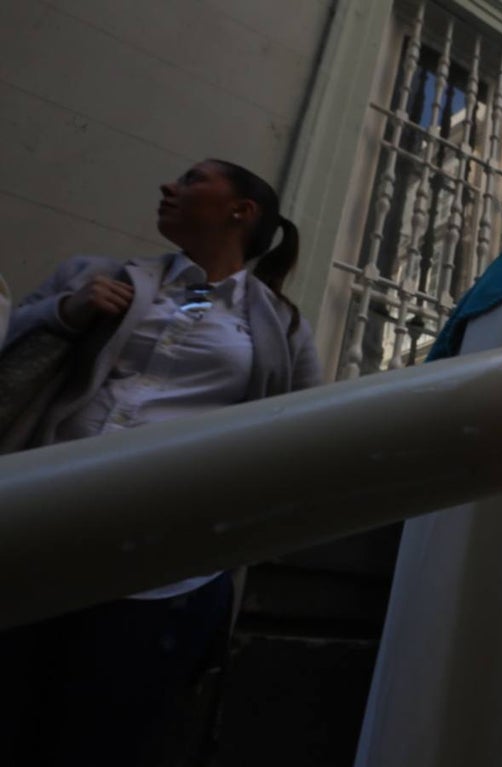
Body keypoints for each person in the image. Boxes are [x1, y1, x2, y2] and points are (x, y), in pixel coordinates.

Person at [0, 159, 321, 766]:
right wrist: (63, 312)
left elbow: (304, 432)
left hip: (163, 567)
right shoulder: (94, 274)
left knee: (97, 742)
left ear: (241, 211)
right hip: (37, 527)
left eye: (194, 179)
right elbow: (9, 353)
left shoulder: (282, 327)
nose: (170, 187)